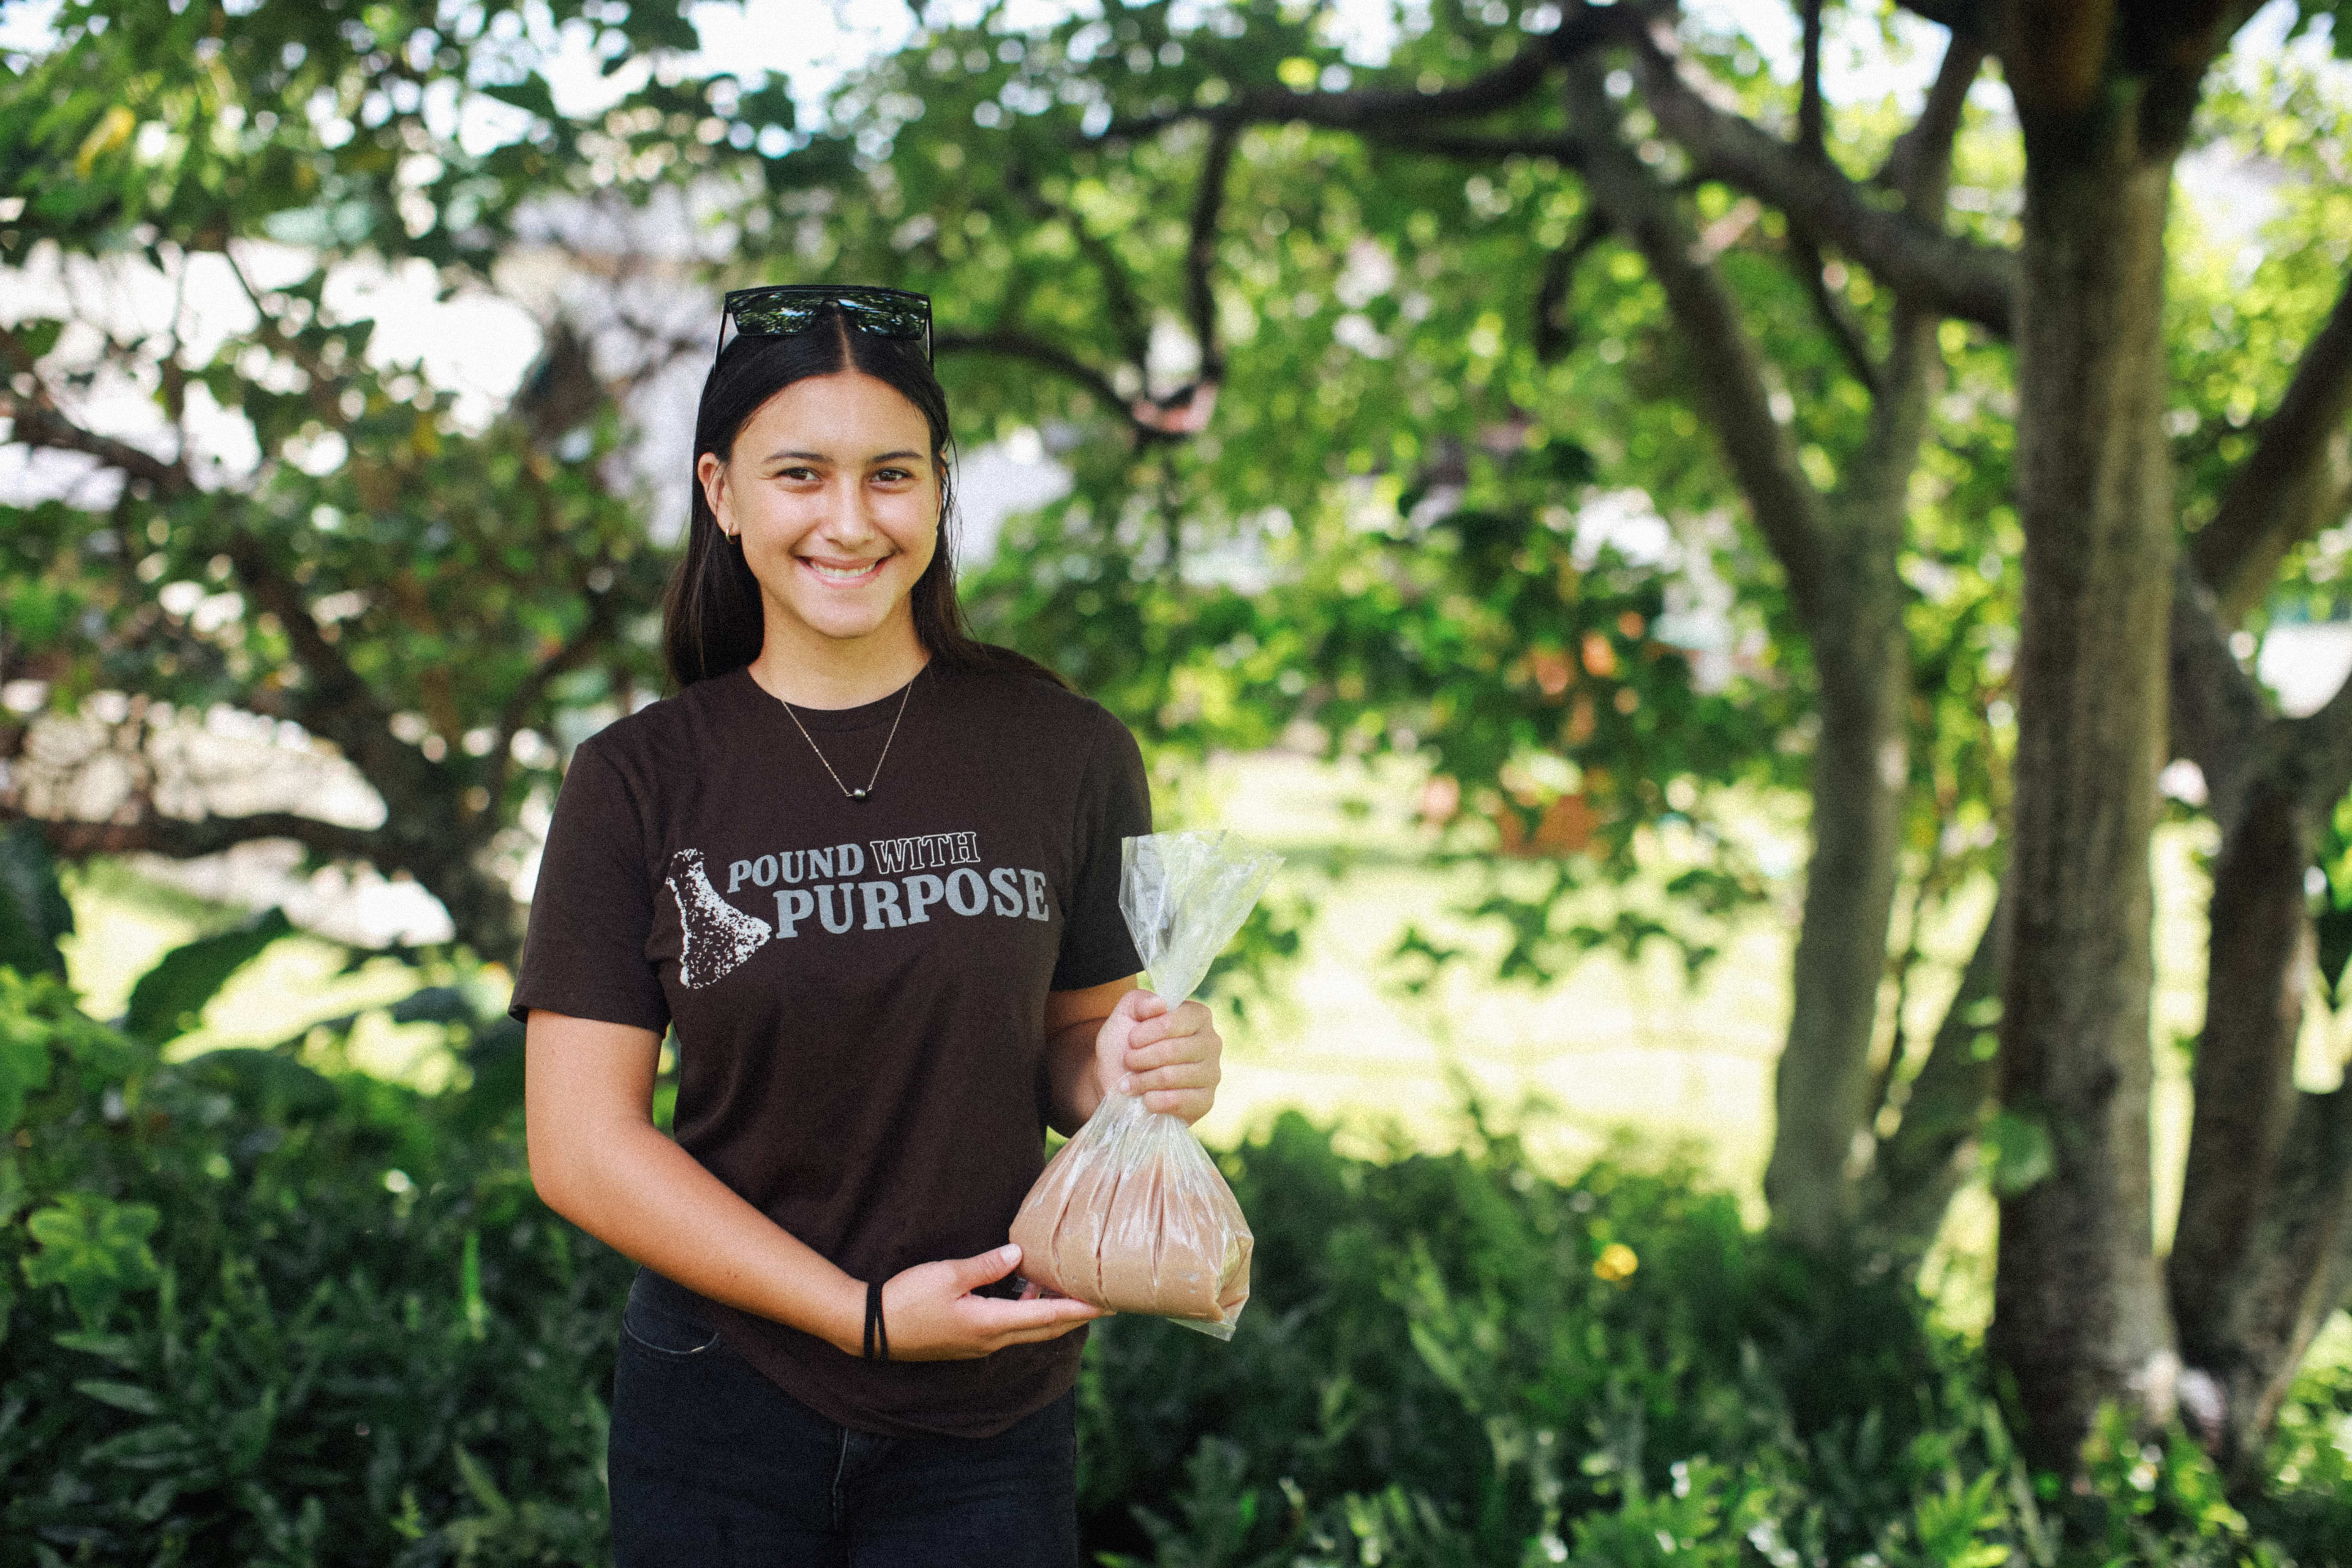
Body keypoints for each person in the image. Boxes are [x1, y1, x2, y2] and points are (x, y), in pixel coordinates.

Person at [510, 284, 1226, 1566]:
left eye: (890, 474)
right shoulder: (637, 778)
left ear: (939, 488)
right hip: (719, 1400)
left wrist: (1128, 1065)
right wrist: (862, 1315)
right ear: (723, 492)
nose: (849, 520)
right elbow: (579, 1144)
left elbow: (1073, 1043)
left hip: (989, 1417)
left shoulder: (1061, 748)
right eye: (802, 474)